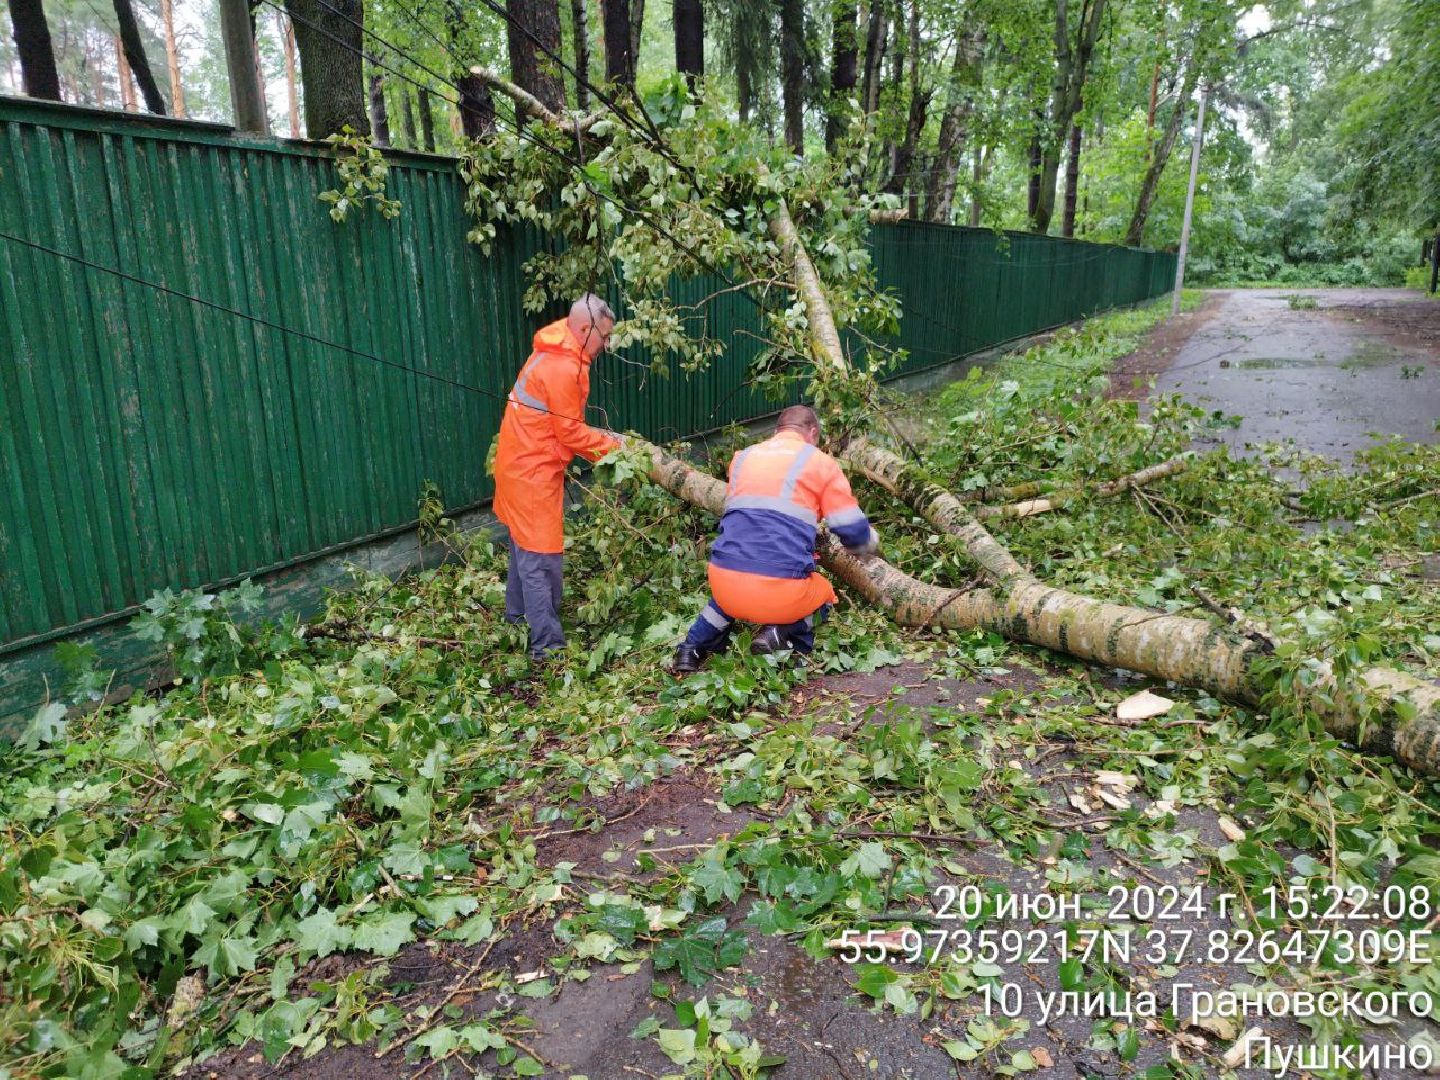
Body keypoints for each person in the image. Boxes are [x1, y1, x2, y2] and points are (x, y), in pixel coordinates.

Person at [673, 405, 879, 673]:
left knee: (725, 601)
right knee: (826, 596)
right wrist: (871, 545)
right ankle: (780, 632)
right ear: (813, 432)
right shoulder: (820, 463)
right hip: (781, 592)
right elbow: (852, 531)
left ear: (777, 431)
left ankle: (690, 650)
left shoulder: (743, 458)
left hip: (723, 581)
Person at [494, 295, 622, 660]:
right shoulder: (564, 368)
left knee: (523, 548)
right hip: (532, 471)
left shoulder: (557, 346)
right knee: (542, 560)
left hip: (519, 464)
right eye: (605, 337)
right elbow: (572, 434)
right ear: (585, 329)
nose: (606, 345)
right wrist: (616, 448)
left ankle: (517, 620)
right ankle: (546, 646)